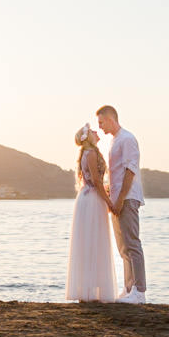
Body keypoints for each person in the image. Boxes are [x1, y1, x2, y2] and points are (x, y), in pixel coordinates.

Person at [96, 105, 146, 303]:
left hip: (127, 198)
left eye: (101, 123)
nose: (100, 127)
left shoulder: (127, 139)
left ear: (110, 119)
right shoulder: (115, 141)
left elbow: (130, 171)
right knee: (123, 246)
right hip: (117, 199)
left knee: (132, 244)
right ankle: (128, 289)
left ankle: (139, 291)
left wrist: (120, 198)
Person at [65, 123, 117, 303]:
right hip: (93, 199)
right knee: (95, 241)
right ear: (88, 137)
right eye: (93, 131)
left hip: (85, 199)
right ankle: (93, 292)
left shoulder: (86, 154)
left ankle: (87, 291)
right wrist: (109, 201)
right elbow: (96, 180)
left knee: (88, 243)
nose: (96, 131)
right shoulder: (92, 153)